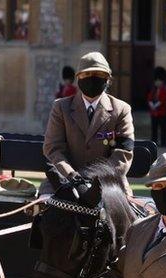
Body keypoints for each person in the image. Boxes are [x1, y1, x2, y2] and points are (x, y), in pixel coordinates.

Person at [42, 51, 135, 195]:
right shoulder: (61, 108)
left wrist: (94, 180)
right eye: (87, 74)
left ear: (108, 79)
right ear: (78, 77)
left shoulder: (122, 110)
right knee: (47, 211)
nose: (92, 79)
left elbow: (122, 154)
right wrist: (72, 176)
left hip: (108, 183)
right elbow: (53, 149)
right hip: (63, 180)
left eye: (98, 75)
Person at [148, 67, 166, 147]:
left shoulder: (165, 90)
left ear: (162, 82)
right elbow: (149, 98)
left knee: (163, 129)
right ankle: (154, 142)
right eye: (156, 81)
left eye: (159, 81)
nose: (157, 83)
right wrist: (151, 104)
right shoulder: (153, 90)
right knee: (154, 129)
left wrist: (156, 105)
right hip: (154, 113)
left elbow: (163, 100)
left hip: (162, 112)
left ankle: (163, 142)